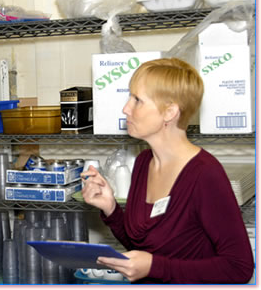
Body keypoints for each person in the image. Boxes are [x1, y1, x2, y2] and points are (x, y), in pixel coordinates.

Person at [81, 58, 254, 284]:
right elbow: (142, 250)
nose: (126, 108)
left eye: (137, 100)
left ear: (169, 112)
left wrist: (155, 266)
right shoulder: (144, 162)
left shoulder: (205, 175)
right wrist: (110, 209)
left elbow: (238, 268)